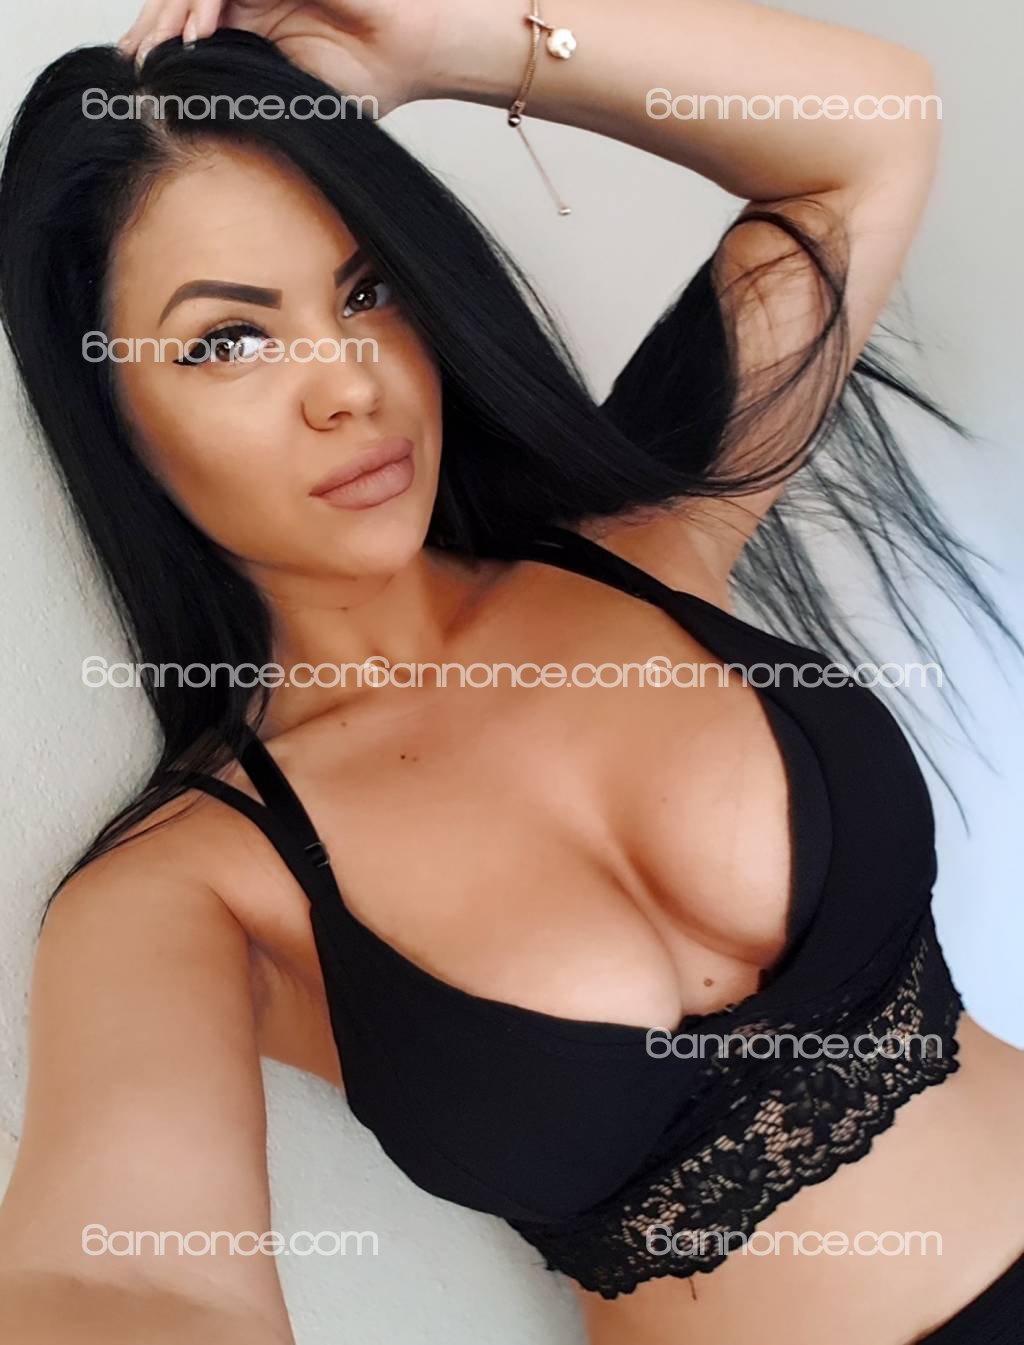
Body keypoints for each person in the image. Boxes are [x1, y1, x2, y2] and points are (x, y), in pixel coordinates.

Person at [0, 1, 1021, 1342]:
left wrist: (436, 43)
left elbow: (869, 134)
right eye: (228, 342)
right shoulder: (190, 885)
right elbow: (128, 1275)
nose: (350, 387)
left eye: (366, 291)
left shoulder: (646, 545)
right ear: (116, 413)